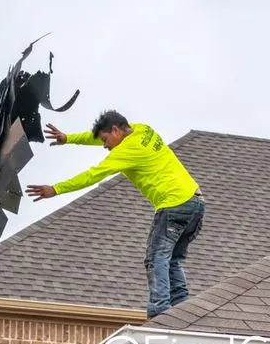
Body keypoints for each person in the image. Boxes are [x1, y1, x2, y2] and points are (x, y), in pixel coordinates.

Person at [26, 110, 205, 318]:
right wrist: (69, 138)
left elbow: (93, 175)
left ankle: (160, 314)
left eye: (105, 140)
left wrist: (56, 189)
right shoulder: (143, 129)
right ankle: (183, 310)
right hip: (196, 203)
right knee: (172, 260)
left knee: (156, 258)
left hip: (174, 205)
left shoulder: (125, 152)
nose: (104, 146)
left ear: (115, 130)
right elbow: (96, 137)